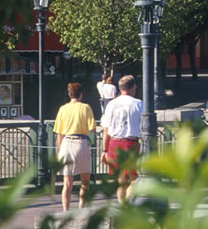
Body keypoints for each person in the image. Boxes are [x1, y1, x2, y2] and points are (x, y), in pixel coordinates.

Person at [53, 82, 96, 211]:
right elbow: (92, 128)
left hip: (66, 143)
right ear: (81, 94)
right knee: (85, 182)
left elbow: (59, 134)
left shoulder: (63, 109)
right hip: (81, 142)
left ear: (69, 94)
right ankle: (81, 209)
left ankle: (66, 210)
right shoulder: (86, 107)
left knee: (67, 183)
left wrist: (59, 151)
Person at [101, 74, 142, 203]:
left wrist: (104, 150)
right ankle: (128, 204)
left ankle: (121, 205)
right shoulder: (139, 104)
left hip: (114, 143)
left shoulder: (112, 104)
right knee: (134, 179)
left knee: (120, 181)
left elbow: (106, 130)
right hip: (131, 143)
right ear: (133, 87)